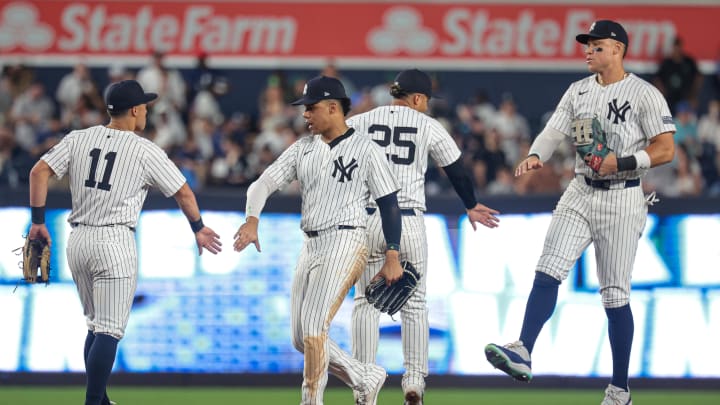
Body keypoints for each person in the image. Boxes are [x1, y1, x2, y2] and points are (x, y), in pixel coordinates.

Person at [484, 20, 675, 405]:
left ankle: (620, 390)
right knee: (548, 267)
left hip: (624, 196)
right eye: (587, 45)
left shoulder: (644, 94)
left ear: (618, 50)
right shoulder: (578, 90)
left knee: (615, 295)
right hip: (580, 189)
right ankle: (523, 348)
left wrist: (621, 162)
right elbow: (554, 131)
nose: (588, 51)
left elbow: (666, 148)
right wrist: (537, 153)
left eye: (597, 46)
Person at [27, 80, 222, 405]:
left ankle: (100, 399)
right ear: (134, 110)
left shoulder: (79, 137)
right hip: (114, 240)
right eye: (144, 106)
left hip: (78, 240)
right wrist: (198, 227)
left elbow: (38, 172)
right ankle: (93, 402)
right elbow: (183, 190)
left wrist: (37, 223)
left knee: (95, 326)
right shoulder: (144, 149)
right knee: (109, 330)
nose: (146, 110)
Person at [233, 75, 404, 405]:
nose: (305, 115)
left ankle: (311, 400)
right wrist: (252, 220)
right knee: (300, 337)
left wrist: (392, 253)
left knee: (313, 327)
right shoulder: (303, 148)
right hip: (310, 245)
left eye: (311, 108)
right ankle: (365, 376)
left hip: (347, 240)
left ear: (333, 107)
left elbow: (389, 203)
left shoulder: (366, 149)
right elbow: (261, 184)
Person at [346, 68, 500, 405]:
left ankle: (364, 384)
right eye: (426, 100)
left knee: (364, 304)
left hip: (367, 218)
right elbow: (456, 167)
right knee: (414, 303)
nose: (427, 106)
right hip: (408, 218)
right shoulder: (427, 125)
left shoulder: (360, 121)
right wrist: (471, 204)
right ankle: (414, 381)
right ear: (416, 98)